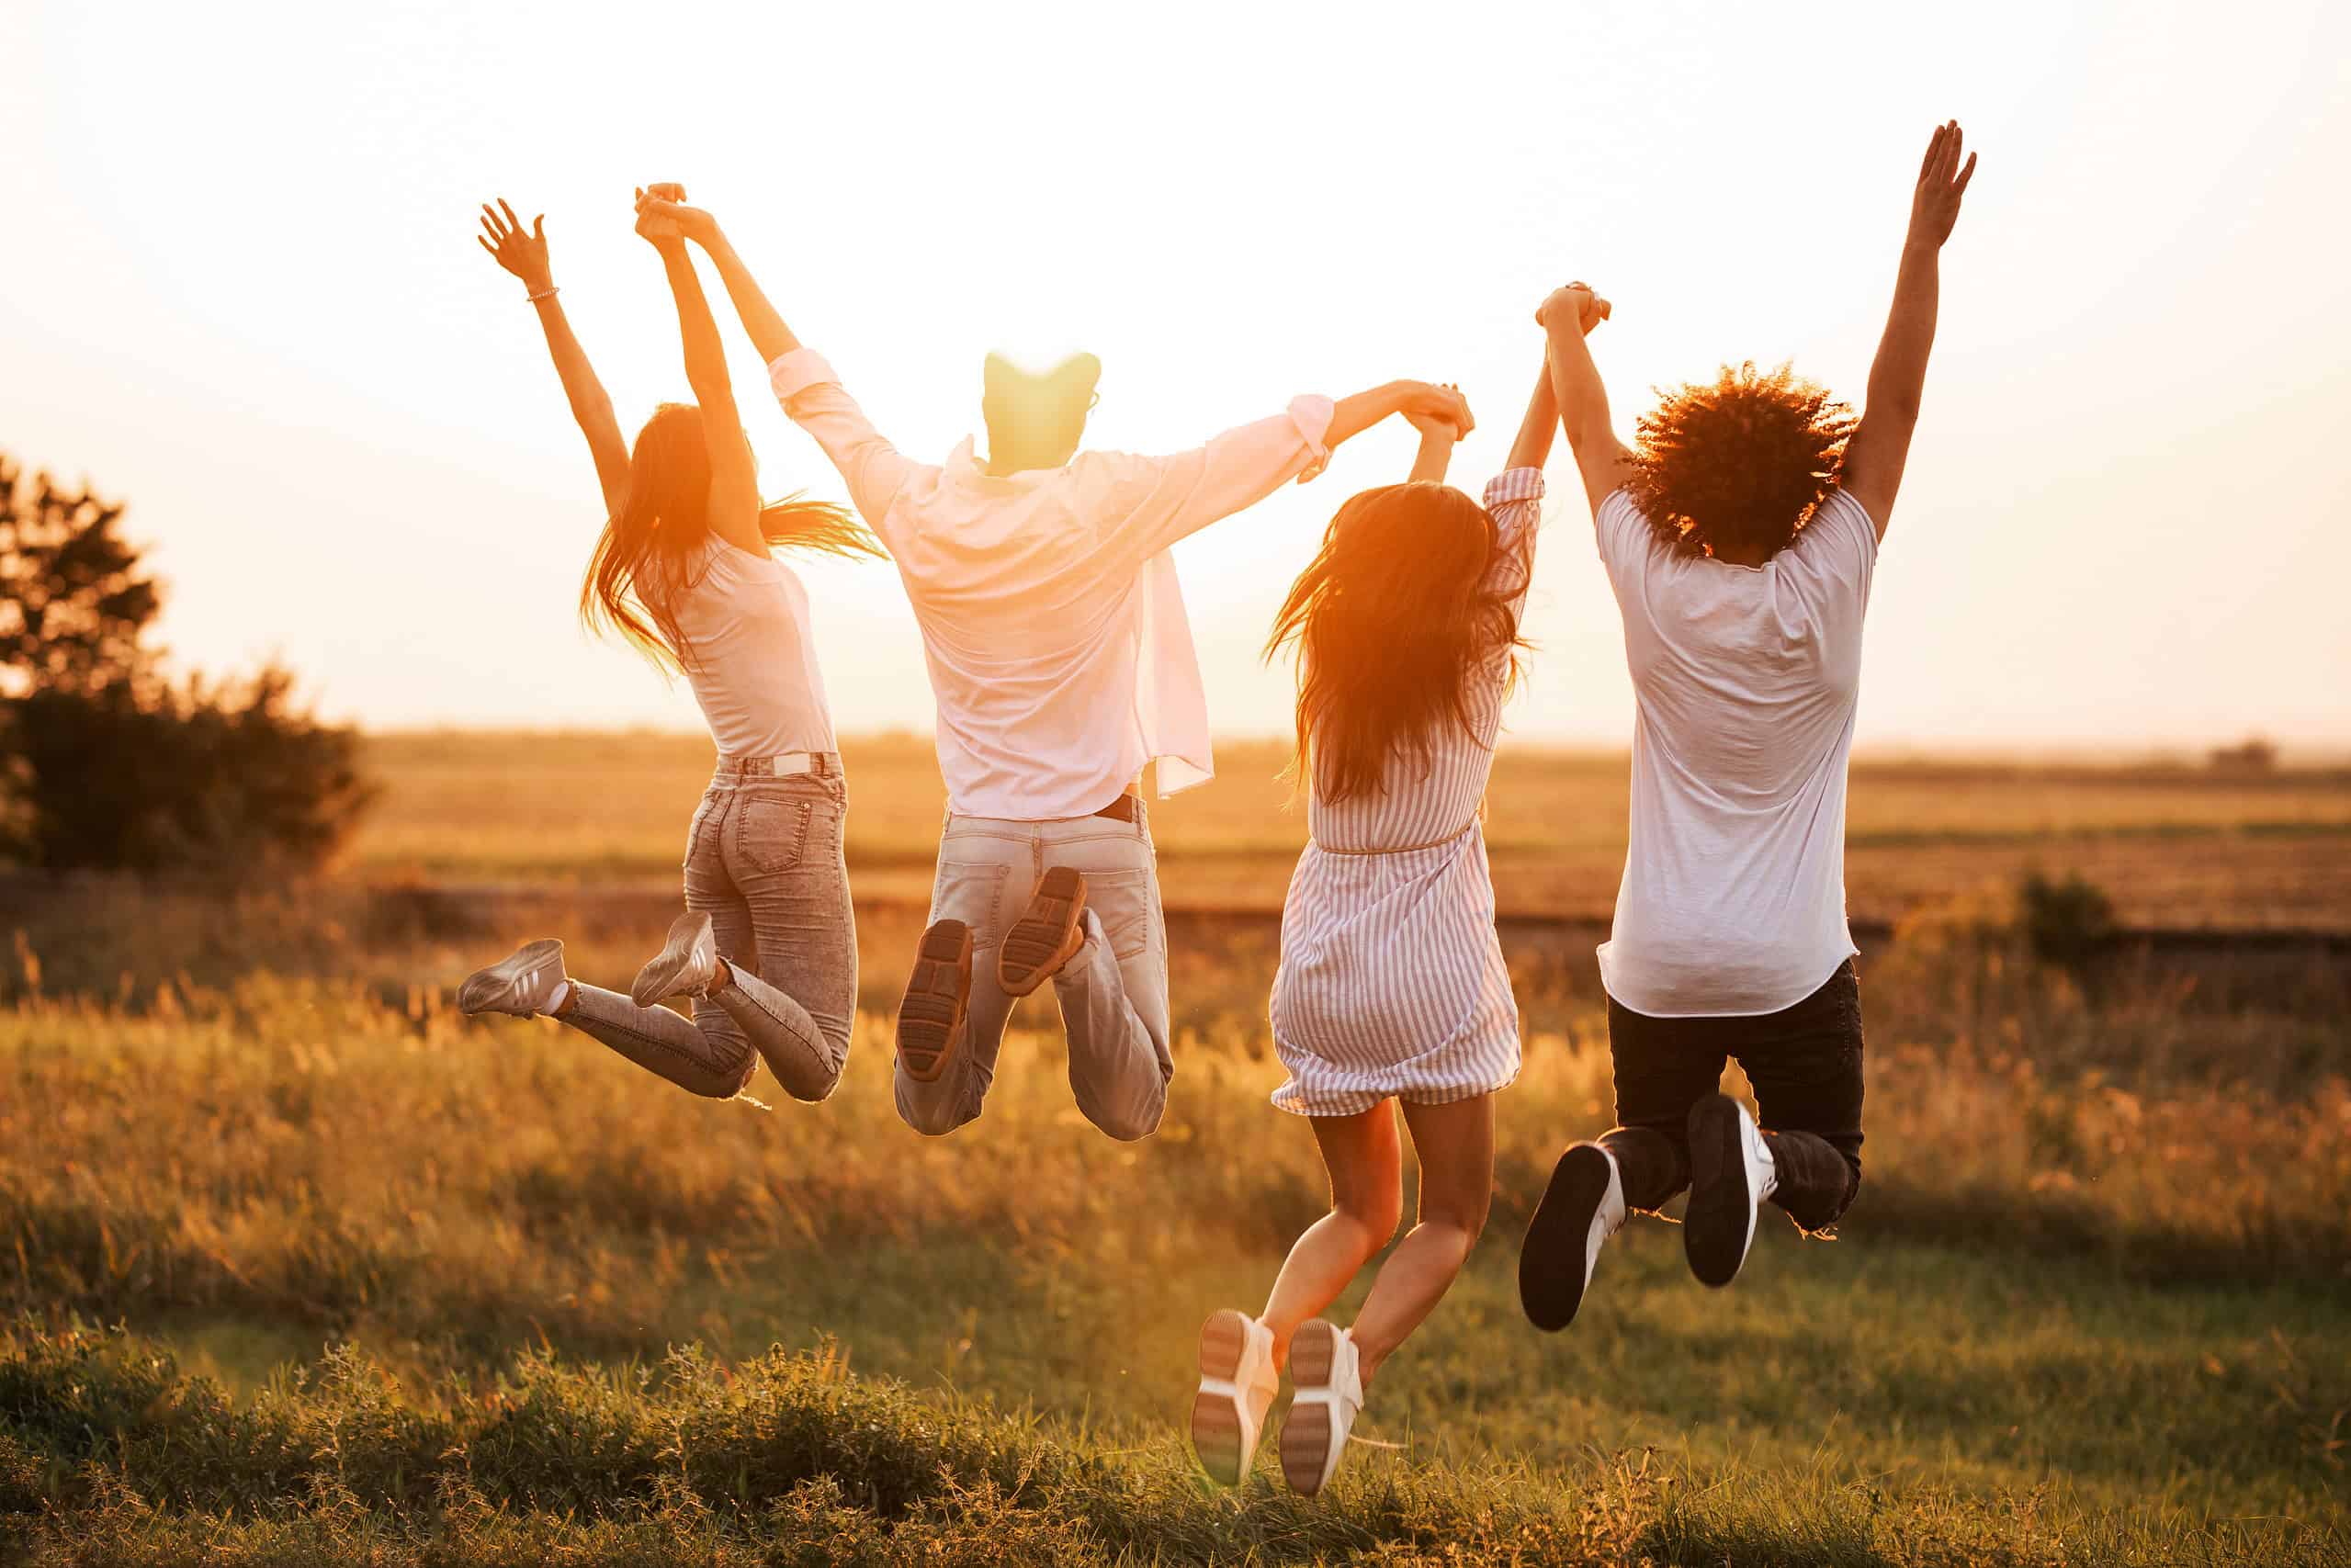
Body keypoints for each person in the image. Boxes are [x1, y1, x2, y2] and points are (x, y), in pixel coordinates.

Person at [634, 189, 1475, 1145]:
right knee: (1131, 1104)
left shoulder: (914, 505)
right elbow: (1276, 440)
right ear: (1078, 422)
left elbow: (805, 385)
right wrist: (1406, 396)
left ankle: (953, 1020)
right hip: (1099, 835)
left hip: (982, 837)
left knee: (935, 1106)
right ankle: (1075, 954)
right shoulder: (1116, 496)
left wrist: (705, 242)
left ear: (986, 414)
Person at [1517, 122, 1978, 1330]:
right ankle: (1762, 1160)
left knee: (1656, 1139)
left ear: (1679, 488)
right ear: (1806, 484)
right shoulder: (1828, 572)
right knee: (1828, 1154)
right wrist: (1919, 243)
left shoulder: (1650, 579)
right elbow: (1896, 398)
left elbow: (1583, 433)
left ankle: (1607, 1175)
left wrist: (1563, 329)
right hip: (1786, 961)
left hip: (1658, 956)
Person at [1187, 318, 1593, 1494]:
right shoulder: (1474, 650)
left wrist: (1426, 448)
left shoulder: (1335, 654)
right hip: (1430, 961)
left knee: (1358, 1208)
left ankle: (1262, 1350)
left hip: (1320, 956)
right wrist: (1554, 353)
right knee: (1452, 1215)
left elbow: (1394, 563)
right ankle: (1347, 1364)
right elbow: (1514, 498)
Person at [454, 190, 876, 1108]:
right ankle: (710, 975)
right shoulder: (732, 529)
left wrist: (544, 292)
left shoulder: (643, 553)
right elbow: (716, 382)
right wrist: (676, 255)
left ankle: (555, 991)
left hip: (719, 819)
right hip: (790, 807)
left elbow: (593, 413)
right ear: (714, 469)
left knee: (722, 1069)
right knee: (822, 1065)